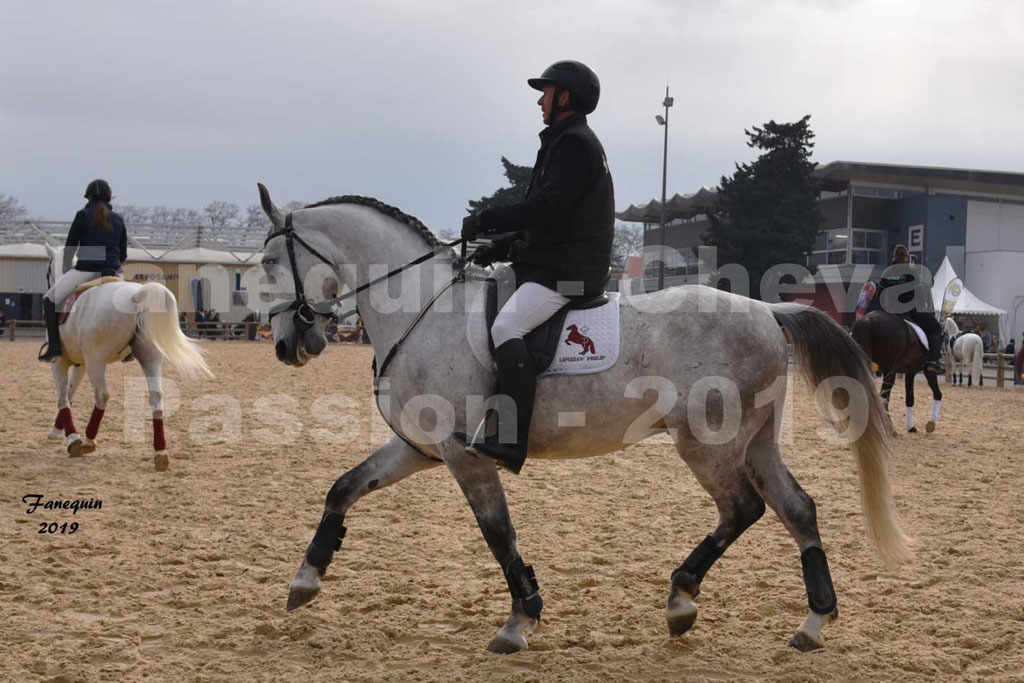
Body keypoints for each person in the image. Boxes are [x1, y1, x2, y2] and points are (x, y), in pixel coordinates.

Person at [454, 60, 614, 474]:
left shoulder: (575, 143)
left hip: (570, 270)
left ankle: (512, 439)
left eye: (546, 93)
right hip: (553, 259)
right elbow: (552, 221)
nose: (540, 101)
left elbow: (546, 209)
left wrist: (489, 221)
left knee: (506, 327)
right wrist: (504, 246)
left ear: (564, 97)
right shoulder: (562, 141)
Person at [39, 180, 128, 361]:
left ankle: (54, 347)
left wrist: (66, 267)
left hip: (87, 268)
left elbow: (71, 246)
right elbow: (123, 253)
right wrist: (114, 264)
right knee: (133, 301)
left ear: (88, 197)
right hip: (114, 270)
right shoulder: (118, 219)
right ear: (110, 197)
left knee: (49, 300)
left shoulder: (82, 215)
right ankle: (131, 347)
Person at [875, 244, 944, 374]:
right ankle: (933, 361)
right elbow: (919, 294)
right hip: (908, 311)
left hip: (887, 310)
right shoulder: (911, 272)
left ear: (894, 256)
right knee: (935, 327)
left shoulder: (886, 272)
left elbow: (879, 295)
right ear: (906, 256)